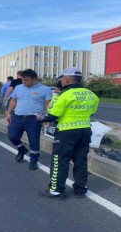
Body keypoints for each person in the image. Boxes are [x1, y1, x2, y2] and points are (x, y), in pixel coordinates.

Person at [37, 67, 99, 199]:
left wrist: (41, 118)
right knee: (81, 162)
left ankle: (56, 190)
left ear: (66, 79)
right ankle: (80, 190)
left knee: (60, 161)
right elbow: (92, 112)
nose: (61, 81)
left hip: (66, 133)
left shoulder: (65, 95)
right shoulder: (91, 94)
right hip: (85, 131)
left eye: (62, 79)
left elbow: (52, 115)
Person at [6, 69, 52, 170]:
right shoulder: (18, 87)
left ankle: (33, 161)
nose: (23, 82)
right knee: (12, 136)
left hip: (34, 119)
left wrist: (48, 118)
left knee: (34, 141)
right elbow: (14, 100)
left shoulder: (45, 89)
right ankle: (22, 149)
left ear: (34, 79)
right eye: (22, 80)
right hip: (17, 117)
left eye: (26, 80)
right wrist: (9, 113)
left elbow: (48, 105)